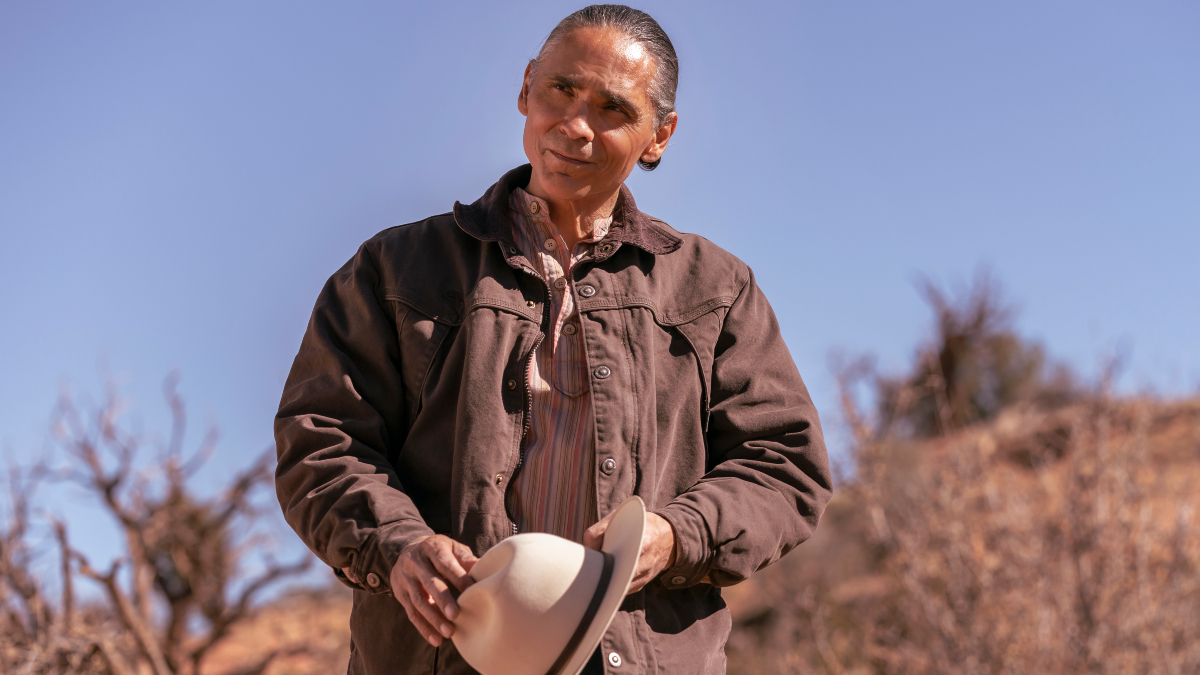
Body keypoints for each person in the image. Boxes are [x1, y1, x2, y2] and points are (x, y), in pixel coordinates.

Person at [274, 5, 832, 674]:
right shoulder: (397, 270)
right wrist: (397, 544)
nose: (574, 127)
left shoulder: (714, 289)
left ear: (659, 135)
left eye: (612, 109)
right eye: (560, 92)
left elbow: (784, 464)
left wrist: (677, 534)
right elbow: (322, 438)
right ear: (525, 90)